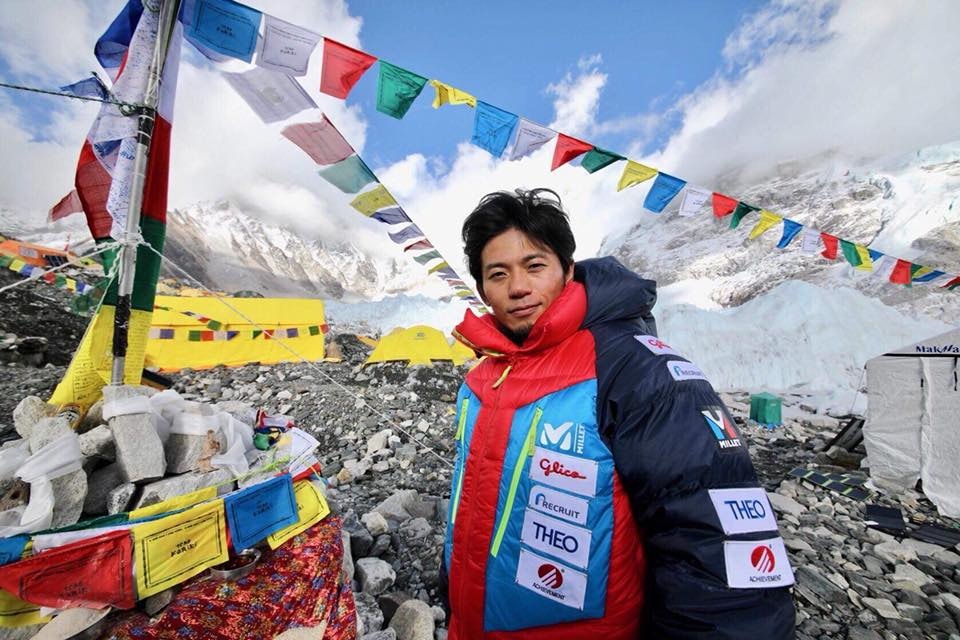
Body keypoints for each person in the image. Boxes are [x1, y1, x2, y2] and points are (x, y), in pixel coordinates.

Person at [441, 188, 796, 639]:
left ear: (567, 271)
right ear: (482, 289)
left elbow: (714, 540)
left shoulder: (637, 370)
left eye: (535, 266)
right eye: (498, 274)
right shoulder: (483, 377)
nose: (518, 287)